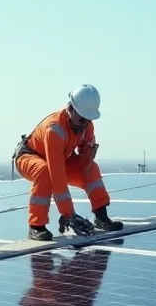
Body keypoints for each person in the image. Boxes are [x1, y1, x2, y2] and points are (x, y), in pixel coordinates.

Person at [13, 84, 123, 241]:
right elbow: (57, 176)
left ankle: (101, 217)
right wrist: (69, 215)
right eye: (81, 119)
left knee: (92, 169)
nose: (84, 124)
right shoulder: (55, 130)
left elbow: (84, 160)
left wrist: (88, 155)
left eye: (87, 120)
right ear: (70, 109)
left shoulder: (86, 124)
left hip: (61, 158)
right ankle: (36, 227)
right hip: (29, 156)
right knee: (44, 172)